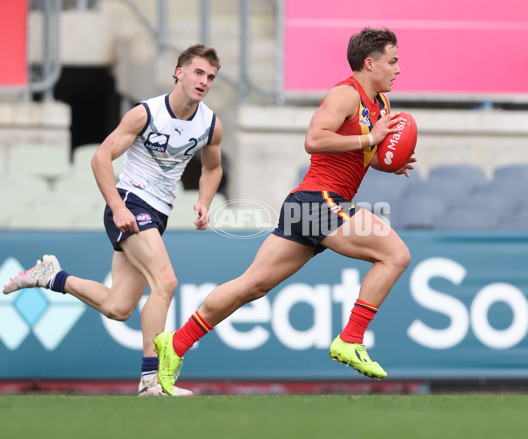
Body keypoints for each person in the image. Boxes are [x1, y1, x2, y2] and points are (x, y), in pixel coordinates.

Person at [154, 27, 416, 395]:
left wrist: (388, 162)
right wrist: (370, 139)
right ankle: (351, 338)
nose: (398, 69)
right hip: (319, 200)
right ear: (369, 63)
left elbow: (355, 153)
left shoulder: (381, 106)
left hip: (308, 205)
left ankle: (175, 343)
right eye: (393, 61)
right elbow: (315, 139)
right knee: (395, 255)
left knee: (251, 285)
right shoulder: (345, 94)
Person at [3, 44, 224, 397]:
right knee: (166, 282)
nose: (204, 81)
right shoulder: (145, 113)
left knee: (117, 306)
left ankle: (50, 276)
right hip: (131, 203)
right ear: (179, 72)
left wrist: (203, 200)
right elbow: (101, 157)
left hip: (158, 214)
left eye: (211, 77)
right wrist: (117, 207)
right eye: (198, 72)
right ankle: (151, 381)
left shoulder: (210, 124)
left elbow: (213, 167)